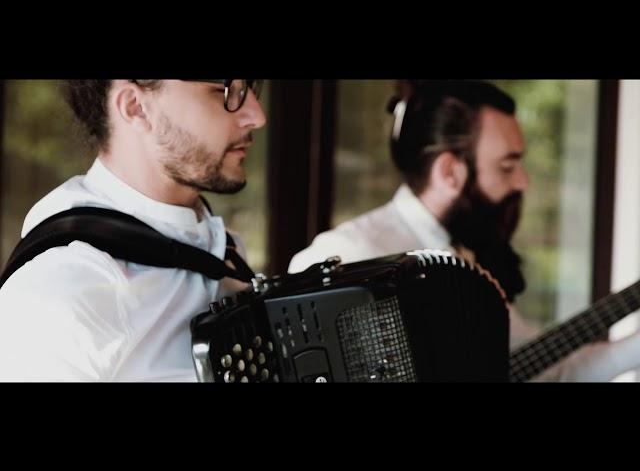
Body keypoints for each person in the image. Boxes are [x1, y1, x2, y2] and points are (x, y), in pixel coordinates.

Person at [289, 80, 640, 382]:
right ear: (449, 172)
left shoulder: (463, 262)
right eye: (507, 166)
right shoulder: (349, 254)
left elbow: (548, 369)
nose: (523, 181)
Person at [0, 79, 267, 381]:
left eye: (249, 88)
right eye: (223, 91)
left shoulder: (224, 250)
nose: (257, 116)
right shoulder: (62, 288)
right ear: (135, 107)